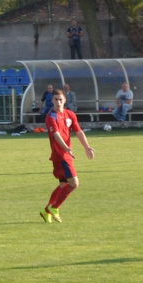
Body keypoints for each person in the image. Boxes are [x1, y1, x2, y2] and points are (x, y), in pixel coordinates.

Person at [40, 89, 95, 223]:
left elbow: (79, 131)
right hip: (61, 155)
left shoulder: (70, 114)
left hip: (66, 154)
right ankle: (55, 207)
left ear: (65, 100)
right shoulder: (50, 116)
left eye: (60, 99)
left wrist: (87, 147)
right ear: (52, 101)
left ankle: (46, 210)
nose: (58, 102)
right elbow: (56, 135)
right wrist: (66, 148)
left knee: (63, 184)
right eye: (55, 99)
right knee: (74, 183)